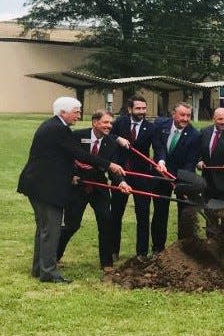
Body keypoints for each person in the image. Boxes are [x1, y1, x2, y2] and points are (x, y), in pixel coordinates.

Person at [17, 97, 124, 283]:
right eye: (76, 111)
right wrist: (109, 165)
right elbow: (79, 153)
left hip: (38, 184)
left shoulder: (54, 126)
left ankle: (39, 268)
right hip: (45, 187)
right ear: (63, 112)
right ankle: (49, 272)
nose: (79, 115)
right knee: (51, 230)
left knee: (43, 229)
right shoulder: (58, 129)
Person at [57, 109, 131, 272]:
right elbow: (65, 159)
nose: (109, 126)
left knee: (106, 222)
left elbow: (113, 168)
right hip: (78, 186)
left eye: (111, 123)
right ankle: (54, 256)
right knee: (71, 225)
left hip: (99, 186)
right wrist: (72, 174)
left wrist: (122, 182)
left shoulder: (111, 142)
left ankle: (106, 264)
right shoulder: (77, 136)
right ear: (95, 122)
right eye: (105, 122)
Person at [110, 95, 156, 260]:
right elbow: (107, 135)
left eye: (144, 108)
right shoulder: (120, 122)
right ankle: (113, 250)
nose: (142, 112)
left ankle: (141, 253)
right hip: (120, 173)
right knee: (116, 213)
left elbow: (158, 147)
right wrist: (118, 138)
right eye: (138, 108)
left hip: (142, 175)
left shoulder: (151, 128)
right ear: (130, 109)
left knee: (143, 215)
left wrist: (161, 161)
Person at [152, 102, 201, 251]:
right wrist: (161, 161)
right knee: (160, 213)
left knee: (184, 214)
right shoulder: (161, 125)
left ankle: (183, 249)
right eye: (182, 115)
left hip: (182, 178)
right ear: (173, 114)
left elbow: (191, 162)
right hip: (161, 175)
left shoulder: (195, 135)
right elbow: (158, 145)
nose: (185, 119)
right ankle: (158, 248)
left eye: (188, 115)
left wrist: (177, 180)